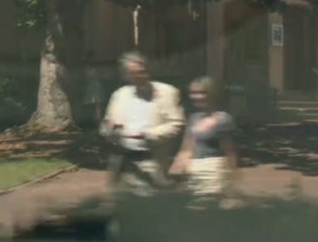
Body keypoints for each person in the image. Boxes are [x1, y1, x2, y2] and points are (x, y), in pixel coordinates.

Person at [100, 51, 186, 198]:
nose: (140, 76)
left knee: (150, 202)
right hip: (123, 161)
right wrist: (110, 128)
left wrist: (148, 134)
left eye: (142, 71)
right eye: (133, 74)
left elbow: (177, 124)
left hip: (151, 159)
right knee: (122, 202)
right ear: (126, 75)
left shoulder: (167, 92)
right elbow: (105, 125)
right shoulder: (119, 95)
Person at [170, 77, 237, 208]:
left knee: (204, 209)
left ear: (212, 94)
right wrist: (177, 168)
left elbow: (230, 151)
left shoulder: (223, 119)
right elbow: (186, 147)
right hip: (192, 170)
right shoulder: (194, 117)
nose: (196, 97)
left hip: (212, 169)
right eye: (193, 93)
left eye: (201, 93)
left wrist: (231, 181)